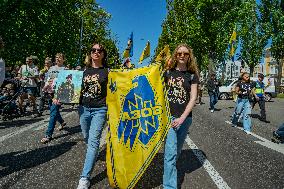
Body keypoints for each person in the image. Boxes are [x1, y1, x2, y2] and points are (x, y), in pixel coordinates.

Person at [163, 43, 199, 189]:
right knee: (170, 153)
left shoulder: (192, 75)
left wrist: (182, 118)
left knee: (176, 151)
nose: (182, 56)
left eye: (185, 53)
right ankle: (169, 186)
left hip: (185, 118)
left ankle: (169, 169)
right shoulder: (167, 73)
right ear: (175, 56)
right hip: (169, 117)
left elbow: (193, 98)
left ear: (189, 56)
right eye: (179, 53)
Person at [76, 42, 109, 189]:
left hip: (99, 110)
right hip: (83, 109)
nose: (96, 52)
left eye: (100, 50)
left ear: (103, 54)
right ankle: (93, 154)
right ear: (90, 53)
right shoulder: (82, 71)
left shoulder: (108, 72)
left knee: (94, 141)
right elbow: (74, 91)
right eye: (94, 50)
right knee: (87, 139)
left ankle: (85, 178)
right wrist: (59, 96)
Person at [40, 53, 67, 143]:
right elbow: (48, 80)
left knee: (53, 113)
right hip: (50, 93)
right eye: (56, 57)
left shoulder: (65, 69)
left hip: (59, 94)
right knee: (54, 111)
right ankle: (62, 122)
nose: (58, 59)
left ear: (63, 59)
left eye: (60, 57)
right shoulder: (51, 68)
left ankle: (48, 135)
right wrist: (44, 89)